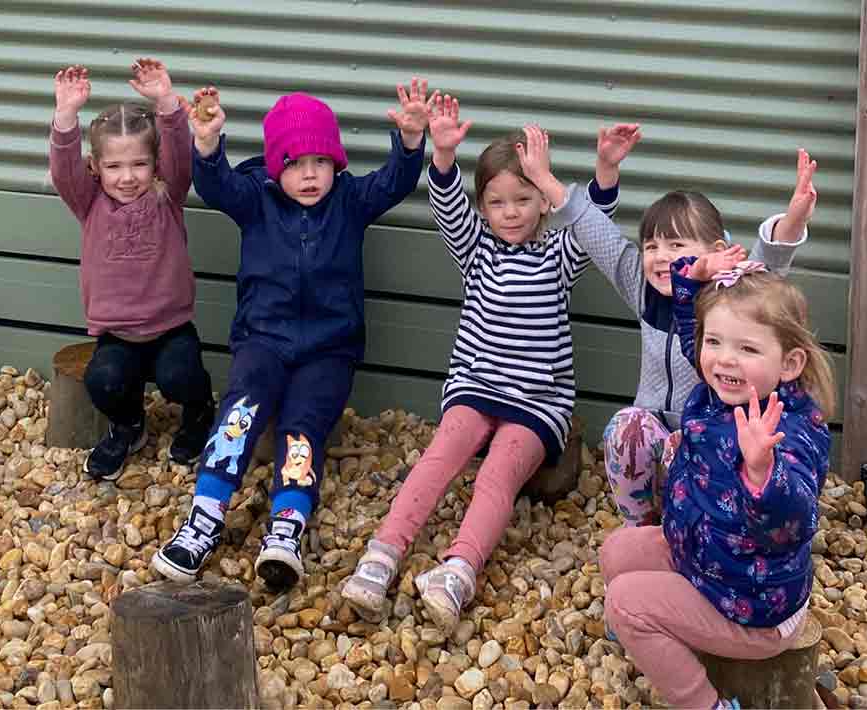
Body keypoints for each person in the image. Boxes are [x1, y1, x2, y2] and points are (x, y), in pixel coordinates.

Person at [343, 97, 619, 633]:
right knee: (439, 457)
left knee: (495, 477)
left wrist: (605, 170)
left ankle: (460, 569)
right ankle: (381, 555)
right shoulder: (477, 253)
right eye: (496, 202)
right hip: (475, 387)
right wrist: (443, 154)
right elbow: (448, 207)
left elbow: (597, 230)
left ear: (544, 202)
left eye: (523, 198)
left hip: (538, 404)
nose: (510, 212)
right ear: (484, 208)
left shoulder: (558, 256)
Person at [152, 79, 431, 591]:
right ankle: (205, 516)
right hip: (264, 339)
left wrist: (411, 140)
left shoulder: (349, 200)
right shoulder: (256, 198)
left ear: (336, 165)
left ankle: (287, 527)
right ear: (276, 166)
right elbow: (214, 186)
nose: (309, 175)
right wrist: (209, 144)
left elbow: (393, 181)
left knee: (303, 428)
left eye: (320, 163)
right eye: (295, 164)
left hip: (328, 350)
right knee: (240, 410)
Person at [601, 246, 835, 709]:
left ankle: (705, 703)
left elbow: (794, 521)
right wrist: (694, 277)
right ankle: (655, 634)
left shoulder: (788, 430)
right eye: (715, 342)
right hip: (710, 560)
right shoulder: (722, 387)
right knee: (618, 551)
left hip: (754, 606)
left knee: (625, 599)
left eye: (747, 348)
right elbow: (694, 331)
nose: (724, 359)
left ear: (789, 364)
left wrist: (761, 472)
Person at [585, 123, 818, 525]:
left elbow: (772, 260)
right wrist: (595, 171)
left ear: (716, 251)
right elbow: (596, 234)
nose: (661, 257)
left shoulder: (730, 295)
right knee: (626, 427)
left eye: (676, 246)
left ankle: (689, 526)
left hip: (711, 439)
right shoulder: (640, 286)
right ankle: (640, 525)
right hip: (654, 425)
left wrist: (794, 219)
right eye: (652, 246)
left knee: (687, 444)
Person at [48, 59, 215, 482]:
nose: (126, 177)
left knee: (182, 377)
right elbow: (63, 170)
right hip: (117, 336)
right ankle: (128, 425)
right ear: (96, 167)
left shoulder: (167, 195)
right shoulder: (89, 204)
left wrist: (166, 102)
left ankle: (198, 414)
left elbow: (180, 157)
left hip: (171, 329)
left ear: (155, 165)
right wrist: (66, 115)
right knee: (102, 381)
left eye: (138, 165)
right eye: (114, 167)